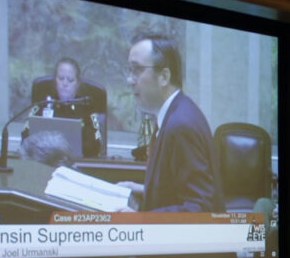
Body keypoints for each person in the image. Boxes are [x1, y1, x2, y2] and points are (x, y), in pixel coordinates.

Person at [118, 35, 219, 212]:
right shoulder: (176, 112)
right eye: (130, 70)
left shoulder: (181, 125)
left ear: (164, 76)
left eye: (137, 70)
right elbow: (177, 190)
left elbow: (201, 208)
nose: (130, 80)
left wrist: (138, 220)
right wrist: (143, 190)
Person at [29, 58, 107, 157]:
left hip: (78, 162)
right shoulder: (43, 104)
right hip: (44, 161)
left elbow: (96, 146)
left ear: (78, 84)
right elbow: (26, 136)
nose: (65, 84)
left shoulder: (87, 107)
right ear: (55, 81)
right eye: (61, 78)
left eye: (70, 80)